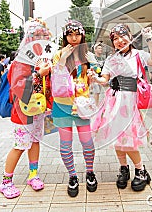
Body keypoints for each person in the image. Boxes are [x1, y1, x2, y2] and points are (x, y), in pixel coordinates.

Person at [91, 24, 152, 192]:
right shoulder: (111, 59)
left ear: (130, 36)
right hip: (113, 101)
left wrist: (150, 39)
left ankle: (140, 170)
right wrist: (96, 78)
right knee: (116, 138)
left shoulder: (138, 55)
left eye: (123, 36)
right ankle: (124, 168)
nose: (120, 40)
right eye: (115, 38)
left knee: (129, 139)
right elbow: (105, 79)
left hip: (129, 103)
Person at [0, 19, 52, 199]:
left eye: (44, 36)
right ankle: (6, 181)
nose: (41, 39)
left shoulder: (42, 57)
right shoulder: (21, 60)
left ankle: (33, 174)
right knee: (20, 145)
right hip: (23, 112)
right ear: (29, 38)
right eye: (37, 36)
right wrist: (39, 74)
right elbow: (18, 86)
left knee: (35, 141)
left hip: (37, 109)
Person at [52, 20, 97, 197]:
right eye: (70, 35)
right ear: (65, 36)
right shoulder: (58, 54)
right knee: (65, 144)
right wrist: (63, 58)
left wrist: (94, 75)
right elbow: (55, 77)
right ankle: (72, 176)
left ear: (82, 36)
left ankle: (90, 172)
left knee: (87, 142)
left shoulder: (88, 55)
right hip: (61, 105)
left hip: (82, 106)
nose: (73, 38)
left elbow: (97, 77)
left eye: (77, 34)